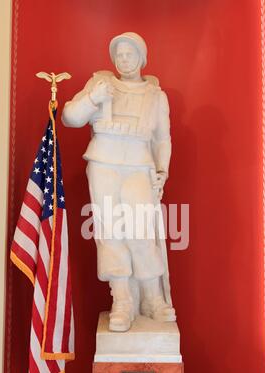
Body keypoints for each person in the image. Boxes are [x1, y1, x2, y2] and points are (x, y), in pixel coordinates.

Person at [62, 32, 176, 332]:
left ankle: (152, 297)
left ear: (142, 57)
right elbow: (71, 117)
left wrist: (162, 170)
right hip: (104, 162)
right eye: (119, 55)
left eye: (130, 54)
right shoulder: (100, 85)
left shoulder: (155, 96)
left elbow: (162, 139)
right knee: (110, 232)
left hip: (139, 165)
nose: (124, 60)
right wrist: (92, 99)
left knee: (140, 231)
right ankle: (122, 300)